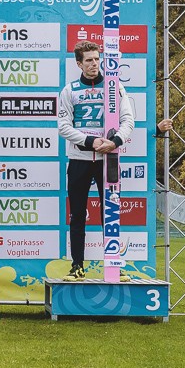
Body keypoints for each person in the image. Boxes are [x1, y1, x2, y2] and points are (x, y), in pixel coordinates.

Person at [57, 40, 135, 281]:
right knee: (77, 215)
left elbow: (128, 120)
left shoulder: (115, 87)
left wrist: (116, 141)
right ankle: (77, 266)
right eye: (88, 60)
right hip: (79, 159)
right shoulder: (69, 90)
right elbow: (63, 127)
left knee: (109, 213)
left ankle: (113, 265)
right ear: (79, 63)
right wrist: (90, 141)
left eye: (96, 59)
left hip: (107, 159)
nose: (94, 64)